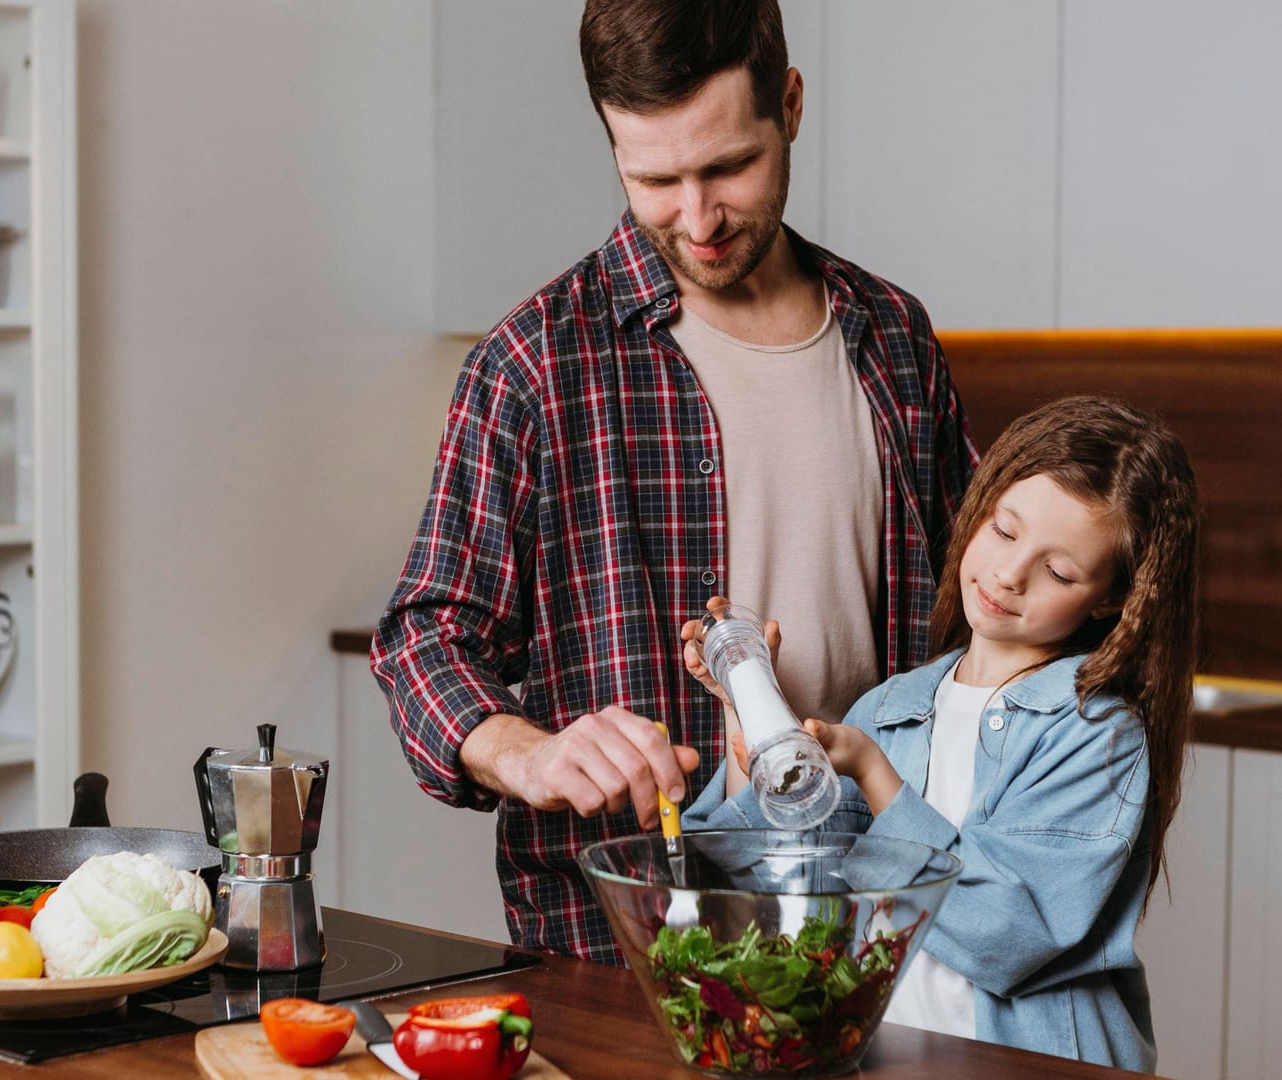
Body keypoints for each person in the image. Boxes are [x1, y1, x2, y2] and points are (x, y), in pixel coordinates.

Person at [371, 0, 976, 963]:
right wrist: (525, 751)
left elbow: (976, 628)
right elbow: (423, 640)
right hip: (629, 948)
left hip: (880, 926)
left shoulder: (894, 339)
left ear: (790, 105)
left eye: (729, 166)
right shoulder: (534, 361)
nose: (696, 220)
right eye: (654, 178)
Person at [681, 396, 1202, 1073]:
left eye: (1058, 571)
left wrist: (876, 776)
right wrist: (749, 712)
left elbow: (1007, 936)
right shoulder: (891, 707)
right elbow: (772, 879)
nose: (1010, 575)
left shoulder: (1094, 733)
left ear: (1109, 600)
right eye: (1005, 531)